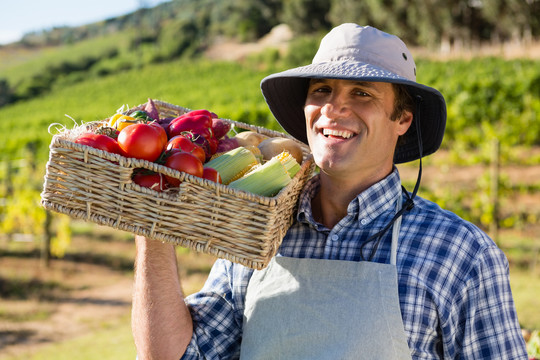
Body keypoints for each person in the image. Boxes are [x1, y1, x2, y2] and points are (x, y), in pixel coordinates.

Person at [131, 24, 528, 359]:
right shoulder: (258, 231)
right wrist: (151, 231)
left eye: (362, 93)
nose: (333, 109)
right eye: (321, 90)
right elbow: (176, 355)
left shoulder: (460, 253)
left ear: (402, 119)